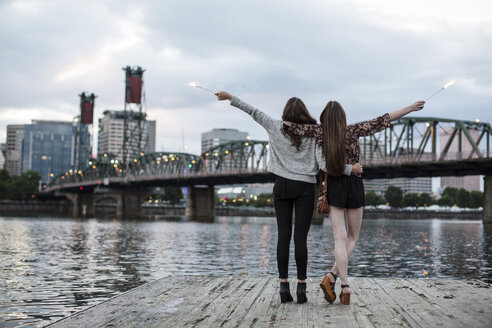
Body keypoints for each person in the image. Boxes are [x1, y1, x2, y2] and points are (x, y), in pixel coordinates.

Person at [215, 91, 362, 304]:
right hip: (305, 187)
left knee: (283, 236)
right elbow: (324, 165)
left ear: (285, 113)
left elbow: (252, 111)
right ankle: (302, 288)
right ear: (305, 114)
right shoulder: (313, 134)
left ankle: (284, 287)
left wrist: (230, 98)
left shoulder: (275, 126)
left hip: (282, 185)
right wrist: (350, 169)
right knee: (300, 238)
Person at [285, 99, 425, 305]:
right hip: (354, 184)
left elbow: (290, 127)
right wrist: (410, 108)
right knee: (352, 237)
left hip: (334, 186)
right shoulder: (353, 130)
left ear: (324, 118)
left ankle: (342, 283)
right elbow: (382, 120)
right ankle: (337, 281)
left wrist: (282, 121)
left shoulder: (319, 132)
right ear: (343, 117)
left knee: (339, 238)